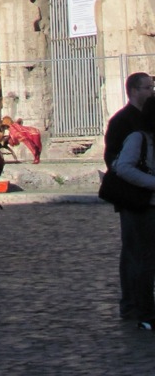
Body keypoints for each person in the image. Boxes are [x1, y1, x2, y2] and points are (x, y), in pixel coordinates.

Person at [105, 71, 155, 322]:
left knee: (143, 254)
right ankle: (133, 304)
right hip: (133, 198)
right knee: (135, 253)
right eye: (147, 87)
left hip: (147, 198)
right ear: (134, 90)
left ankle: (141, 303)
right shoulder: (123, 121)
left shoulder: (144, 119)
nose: (151, 91)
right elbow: (116, 161)